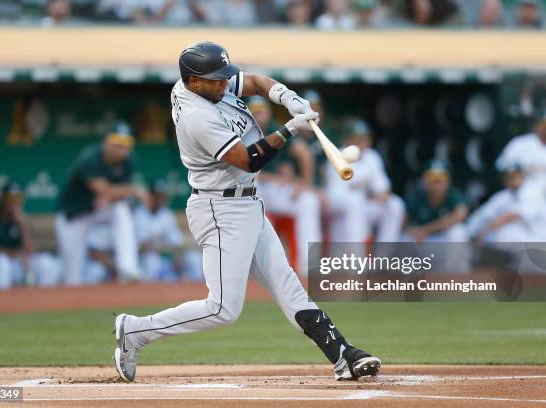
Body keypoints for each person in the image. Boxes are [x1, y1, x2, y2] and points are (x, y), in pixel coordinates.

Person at [113, 41, 381, 383]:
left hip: (247, 202)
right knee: (223, 309)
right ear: (195, 82)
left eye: (225, 77)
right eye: (217, 79)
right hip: (219, 208)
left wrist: (286, 97)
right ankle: (135, 331)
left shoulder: (206, 85)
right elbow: (248, 158)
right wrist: (287, 130)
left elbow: (254, 81)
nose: (225, 83)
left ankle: (342, 353)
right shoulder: (198, 115)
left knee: (288, 285)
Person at [55, 121, 148, 286]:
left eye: (125, 144)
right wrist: (132, 190)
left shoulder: (128, 162)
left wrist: (116, 194)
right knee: (73, 274)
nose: (121, 148)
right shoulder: (91, 159)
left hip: (97, 209)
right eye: (117, 143)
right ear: (107, 143)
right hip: (73, 215)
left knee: (121, 209)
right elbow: (103, 190)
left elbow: (114, 196)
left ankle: (128, 269)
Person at [251, 96, 322, 274]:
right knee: (251, 198)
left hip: (276, 190)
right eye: (254, 112)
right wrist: (274, 178)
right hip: (252, 188)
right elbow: (244, 168)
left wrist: (304, 185)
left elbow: (305, 154)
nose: (258, 116)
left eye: (261, 112)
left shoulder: (276, 128)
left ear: (268, 113)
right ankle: (253, 268)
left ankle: (309, 266)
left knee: (308, 201)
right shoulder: (242, 131)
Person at [325, 119, 405, 245]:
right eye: (356, 138)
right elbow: (338, 194)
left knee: (395, 205)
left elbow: (383, 189)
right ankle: (356, 260)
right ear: (347, 140)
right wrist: (368, 196)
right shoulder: (337, 155)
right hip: (338, 206)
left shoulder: (372, 156)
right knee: (354, 201)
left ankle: (383, 258)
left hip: (363, 204)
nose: (360, 142)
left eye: (363, 138)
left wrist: (382, 194)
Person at [0, 182, 60, 290]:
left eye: (17, 199)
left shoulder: (21, 218)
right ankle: (0, 302)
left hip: (18, 262)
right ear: (2, 199)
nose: (13, 203)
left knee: (46, 262)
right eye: (10, 199)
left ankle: (44, 302)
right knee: (2, 262)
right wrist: (16, 253)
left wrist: (23, 227)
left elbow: (30, 251)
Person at [403, 160, 470, 272]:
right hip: (424, 243)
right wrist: (413, 230)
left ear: (448, 180)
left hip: (442, 242)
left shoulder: (453, 194)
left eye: (440, 179)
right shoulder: (416, 196)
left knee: (458, 232)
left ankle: (452, 276)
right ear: (425, 180)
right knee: (404, 239)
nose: (437, 183)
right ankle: (410, 277)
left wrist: (425, 230)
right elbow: (401, 223)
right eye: (432, 178)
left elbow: (460, 215)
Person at [468, 164, 546, 244]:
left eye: (515, 176)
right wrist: (473, 234)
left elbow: (513, 215)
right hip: (528, 237)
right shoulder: (505, 195)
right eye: (508, 176)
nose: (511, 179)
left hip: (543, 240)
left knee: (505, 234)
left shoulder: (532, 190)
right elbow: (484, 214)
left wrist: (486, 232)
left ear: (522, 176)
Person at [495, 113, 546, 223]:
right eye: (545, 127)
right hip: (523, 193)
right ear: (536, 126)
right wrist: (514, 178)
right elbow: (501, 165)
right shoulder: (520, 144)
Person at [134, 181, 203, 281]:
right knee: (151, 261)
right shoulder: (139, 214)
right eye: (156, 197)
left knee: (194, 258)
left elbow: (176, 243)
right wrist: (165, 247)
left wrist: (177, 257)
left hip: (167, 257)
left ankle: (192, 292)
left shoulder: (166, 214)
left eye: (161, 197)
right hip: (146, 259)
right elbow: (144, 247)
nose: (159, 200)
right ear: (149, 196)